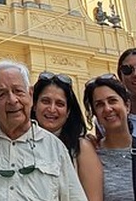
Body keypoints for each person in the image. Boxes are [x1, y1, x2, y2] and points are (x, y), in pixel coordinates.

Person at [0, 61, 86, 201]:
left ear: (30, 95)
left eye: (18, 91)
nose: (12, 100)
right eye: (2, 94)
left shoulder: (55, 148)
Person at [84, 74, 136, 201]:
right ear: (95, 114)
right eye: (99, 104)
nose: (107, 108)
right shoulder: (91, 155)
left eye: (112, 101)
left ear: (127, 106)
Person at [32, 71, 103, 200]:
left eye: (60, 104)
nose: (52, 109)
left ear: (68, 112)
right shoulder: (21, 142)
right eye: (46, 101)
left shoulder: (81, 148)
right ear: (34, 106)